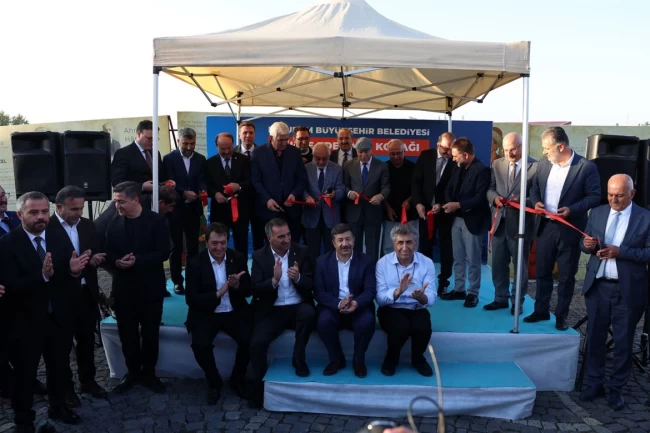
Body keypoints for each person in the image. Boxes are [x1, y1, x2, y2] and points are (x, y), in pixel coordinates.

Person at [0, 191, 88, 431]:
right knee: (25, 375)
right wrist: (41, 277)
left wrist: (74, 272)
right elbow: (9, 286)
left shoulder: (58, 237)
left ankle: (58, 407)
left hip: (57, 318)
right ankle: (24, 420)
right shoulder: (7, 244)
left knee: (59, 367)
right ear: (20, 215)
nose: (41, 217)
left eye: (44, 211)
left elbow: (66, 278)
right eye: (34, 212)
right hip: (24, 321)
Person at [579, 174, 650, 411]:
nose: (613, 200)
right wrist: (587, 245)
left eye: (619, 195)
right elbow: (584, 242)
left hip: (627, 289)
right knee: (595, 339)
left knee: (622, 342)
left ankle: (616, 388)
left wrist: (622, 252)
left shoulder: (645, 218)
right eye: (610, 195)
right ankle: (594, 383)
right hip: (598, 286)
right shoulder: (597, 212)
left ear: (632, 194)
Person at [524, 127, 601, 330]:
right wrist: (536, 202)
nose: (544, 152)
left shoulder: (586, 167)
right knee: (542, 272)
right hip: (545, 227)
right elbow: (534, 188)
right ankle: (541, 310)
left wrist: (572, 209)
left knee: (566, 276)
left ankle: (561, 316)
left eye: (547, 148)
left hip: (570, 229)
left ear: (560, 147)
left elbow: (594, 196)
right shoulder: (543, 164)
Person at [104, 181, 171, 394]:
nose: (117, 206)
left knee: (150, 331)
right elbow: (108, 249)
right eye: (115, 202)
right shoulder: (114, 222)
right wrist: (116, 261)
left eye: (121, 201)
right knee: (127, 333)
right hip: (123, 288)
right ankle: (132, 372)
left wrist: (137, 261)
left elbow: (163, 252)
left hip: (150, 287)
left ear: (135, 199)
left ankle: (149, 372)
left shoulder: (157, 221)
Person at [49, 186, 108, 405]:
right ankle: (66, 388)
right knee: (62, 345)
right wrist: (69, 268)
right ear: (59, 207)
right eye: (74, 209)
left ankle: (88, 381)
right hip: (60, 296)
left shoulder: (88, 225)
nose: (79, 213)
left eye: (81, 208)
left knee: (86, 340)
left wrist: (93, 260)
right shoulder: (47, 228)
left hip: (86, 292)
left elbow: (91, 252)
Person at [249, 218, 315, 408]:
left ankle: (299, 359)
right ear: (269, 238)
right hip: (273, 310)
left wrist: (299, 277)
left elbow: (312, 283)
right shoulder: (260, 256)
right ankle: (259, 386)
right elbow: (255, 288)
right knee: (257, 343)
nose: (287, 239)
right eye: (281, 237)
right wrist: (274, 281)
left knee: (309, 313)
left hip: (297, 306)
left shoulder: (301, 251)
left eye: (288, 234)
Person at [185, 223, 252, 405]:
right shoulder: (195, 263)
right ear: (206, 242)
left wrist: (237, 286)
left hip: (234, 310)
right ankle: (214, 382)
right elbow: (191, 299)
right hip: (206, 313)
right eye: (215, 243)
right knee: (200, 345)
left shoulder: (237, 258)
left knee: (249, 341)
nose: (219, 247)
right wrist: (219, 293)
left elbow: (248, 290)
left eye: (223, 242)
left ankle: (237, 379)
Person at [314, 224, 376, 377]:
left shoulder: (366, 261)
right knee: (323, 321)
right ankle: (336, 359)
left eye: (348, 239)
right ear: (333, 243)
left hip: (358, 306)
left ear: (354, 240)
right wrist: (338, 303)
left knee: (366, 322)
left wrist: (355, 303)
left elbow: (370, 290)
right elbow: (319, 292)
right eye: (340, 240)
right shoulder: (322, 262)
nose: (345, 244)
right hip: (333, 306)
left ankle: (358, 361)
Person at [485, 133, 537, 314]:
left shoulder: (535, 166)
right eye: (506, 150)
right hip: (499, 223)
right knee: (498, 264)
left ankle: (517, 302)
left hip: (521, 226)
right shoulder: (497, 164)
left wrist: (522, 201)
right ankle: (500, 298)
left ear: (522, 146)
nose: (509, 154)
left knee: (520, 266)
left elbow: (537, 196)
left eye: (513, 149)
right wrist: (494, 199)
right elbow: (490, 189)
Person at [435, 137, 491, 308]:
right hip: (455, 219)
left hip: (472, 221)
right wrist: (446, 204)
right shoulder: (458, 168)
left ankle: (473, 293)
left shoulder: (482, 170)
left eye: (455, 156)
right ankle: (459, 289)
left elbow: (480, 198)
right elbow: (449, 189)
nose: (453, 159)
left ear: (465, 155)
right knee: (458, 257)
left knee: (473, 259)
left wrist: (458, 205)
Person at [375, 223, 436, 377]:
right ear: (393, 244)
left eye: (409, 242)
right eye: (400, 242)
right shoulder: (382, 263)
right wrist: (398, 291)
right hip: (391, 308)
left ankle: (418, 359)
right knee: (400, 327)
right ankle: (391, 359)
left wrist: (421, 296)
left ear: (415, 243)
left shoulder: (427, 262)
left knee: (423, 327)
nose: (404, 247)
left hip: (416, 307)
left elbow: (431, 297)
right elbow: (380, 299)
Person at [162, 127, 207, 295]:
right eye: (186, 144)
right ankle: (177, 282)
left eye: (192, 144)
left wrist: (202, 190)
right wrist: (183, 193)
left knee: (193, 247)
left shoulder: (200, 159)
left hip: (194, 209)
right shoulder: (169, 159)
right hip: (174, 208)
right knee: (176, 246)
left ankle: (192, 279)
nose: (189, 147)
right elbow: (168, 181)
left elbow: (202, 179)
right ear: (178, 141)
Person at [412, 133, 456, 294]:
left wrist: (442, 204)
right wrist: (418, 203)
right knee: (425, 247)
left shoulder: (455, 160)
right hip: (425, 210)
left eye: (451, 149)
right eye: (446, 149)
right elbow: (416, 182)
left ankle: (444, 281)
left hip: (445, 211)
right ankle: (426, 281)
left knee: (446, 248)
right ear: (438, 145)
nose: (449, 152)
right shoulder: (426, 156)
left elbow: (455, 188)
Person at [250, 121, 308, 242]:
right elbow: (255, 180)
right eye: (280, 140)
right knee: (268, 246)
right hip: (267, 211)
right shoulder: (258, 153)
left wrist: (294, 194)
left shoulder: (295, 152)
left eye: (286, 139)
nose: (284, 143)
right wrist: (267, 199)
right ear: (270, 138)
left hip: (291, 211)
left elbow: (302, 179)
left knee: (292, 244)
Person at [204, 132, 252, 256]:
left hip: (240, 210)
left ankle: (242, 267)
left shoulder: (244, 160)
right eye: (222, 149)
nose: (226, 152)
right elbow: (206, 185)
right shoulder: (209, 163)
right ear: (216, 147)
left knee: (241, 244)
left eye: (229, 148)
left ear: (233, 144)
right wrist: (215, 194)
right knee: (218, 244)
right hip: (219, 211)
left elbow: (250, 182)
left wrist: (239, 186)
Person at [343, 137, 390, 262]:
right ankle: (356, 270)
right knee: (354, 247)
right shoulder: (348, 165)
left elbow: (386, 186)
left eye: (366, 151)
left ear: (371, 150)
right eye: (360, 152)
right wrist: (349, 193)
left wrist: (381, 196)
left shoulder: (381, 165)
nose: (363, 155)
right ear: (356, 151)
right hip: (354, 213)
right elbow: (344, 185)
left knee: (372, 247)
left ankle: (371, 270)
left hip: (373, 213)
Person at [110, 119, 171, 210]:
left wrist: (167, 183)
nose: (152, 142)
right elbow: (117, 182)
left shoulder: (155, 153)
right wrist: (142, 186)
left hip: (156, 204)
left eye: (155, 139)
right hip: (135, 205)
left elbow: (160, 177)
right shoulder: (123, 153)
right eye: (149, 139)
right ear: (138, 134)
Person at [302, 143, 345, 270]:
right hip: (311, 217)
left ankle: (329, 278)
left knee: (331, 253)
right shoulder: (306, 168)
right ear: (313, 156)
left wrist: (334, 194)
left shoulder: (337, 169)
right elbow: (301, 188)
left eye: (324, 159)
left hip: (331, 218)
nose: (321, 162)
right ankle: (312, 279)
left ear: (329, 156)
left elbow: (342, 189)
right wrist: (307, 197)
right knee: (312, 253)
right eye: (318, 158)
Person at [382, 139, 418, 256]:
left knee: (411, 246)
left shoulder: (414, 167)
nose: (396, 156)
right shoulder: (383, 168)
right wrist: (387, 208)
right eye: (392, 154)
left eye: (399, 153)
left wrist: (410, 200)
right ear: (388, 153)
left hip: (410, 215)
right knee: (389, 247)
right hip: (389, 215)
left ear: (404, 152)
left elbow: (419, 189)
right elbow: (380, 190)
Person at [235, 120, 265, 251]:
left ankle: (258, 264)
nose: (248, 135)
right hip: (239, 203)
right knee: (240, 239)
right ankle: (241, 264)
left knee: (259, 238)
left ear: (255, 135)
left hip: (259, 203)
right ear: (239, 135)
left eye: (251, 133)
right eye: (245, 133)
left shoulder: (263, 153)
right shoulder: (232, 152)